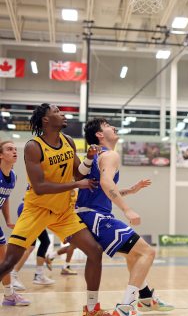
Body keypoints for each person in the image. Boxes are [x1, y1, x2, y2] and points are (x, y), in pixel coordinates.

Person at [0, 104, 112, 316]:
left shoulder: (68, 141)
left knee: (95, 252)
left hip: (63, 211)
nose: (63, 115)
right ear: (45, 120)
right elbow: (40, 187)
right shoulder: (34, 147)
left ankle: (91, 309)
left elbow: (79, 174)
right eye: (57, 112)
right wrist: (76, 185)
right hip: (36, 209)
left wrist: (88, 157)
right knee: (9, 261)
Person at [76, 118, 174, 315]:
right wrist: (127, 209)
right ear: (99, 135)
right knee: (147, 252)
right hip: (97, 217)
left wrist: (129, 190)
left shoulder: (98, 156)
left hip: (87, 215)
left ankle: (146, 298)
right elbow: (105, 183)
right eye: (107, 126)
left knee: (134, 254)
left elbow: (99, 188)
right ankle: (126, 306)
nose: (113, 127)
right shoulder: (110, 155)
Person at [0, 140, 29, 306]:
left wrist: (8, 220)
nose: (14, 151)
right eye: (9, 149)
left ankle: (9, 295)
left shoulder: (12, 176)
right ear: (1, 155)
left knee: (4, 260)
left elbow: (4, 199)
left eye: (14, 149)